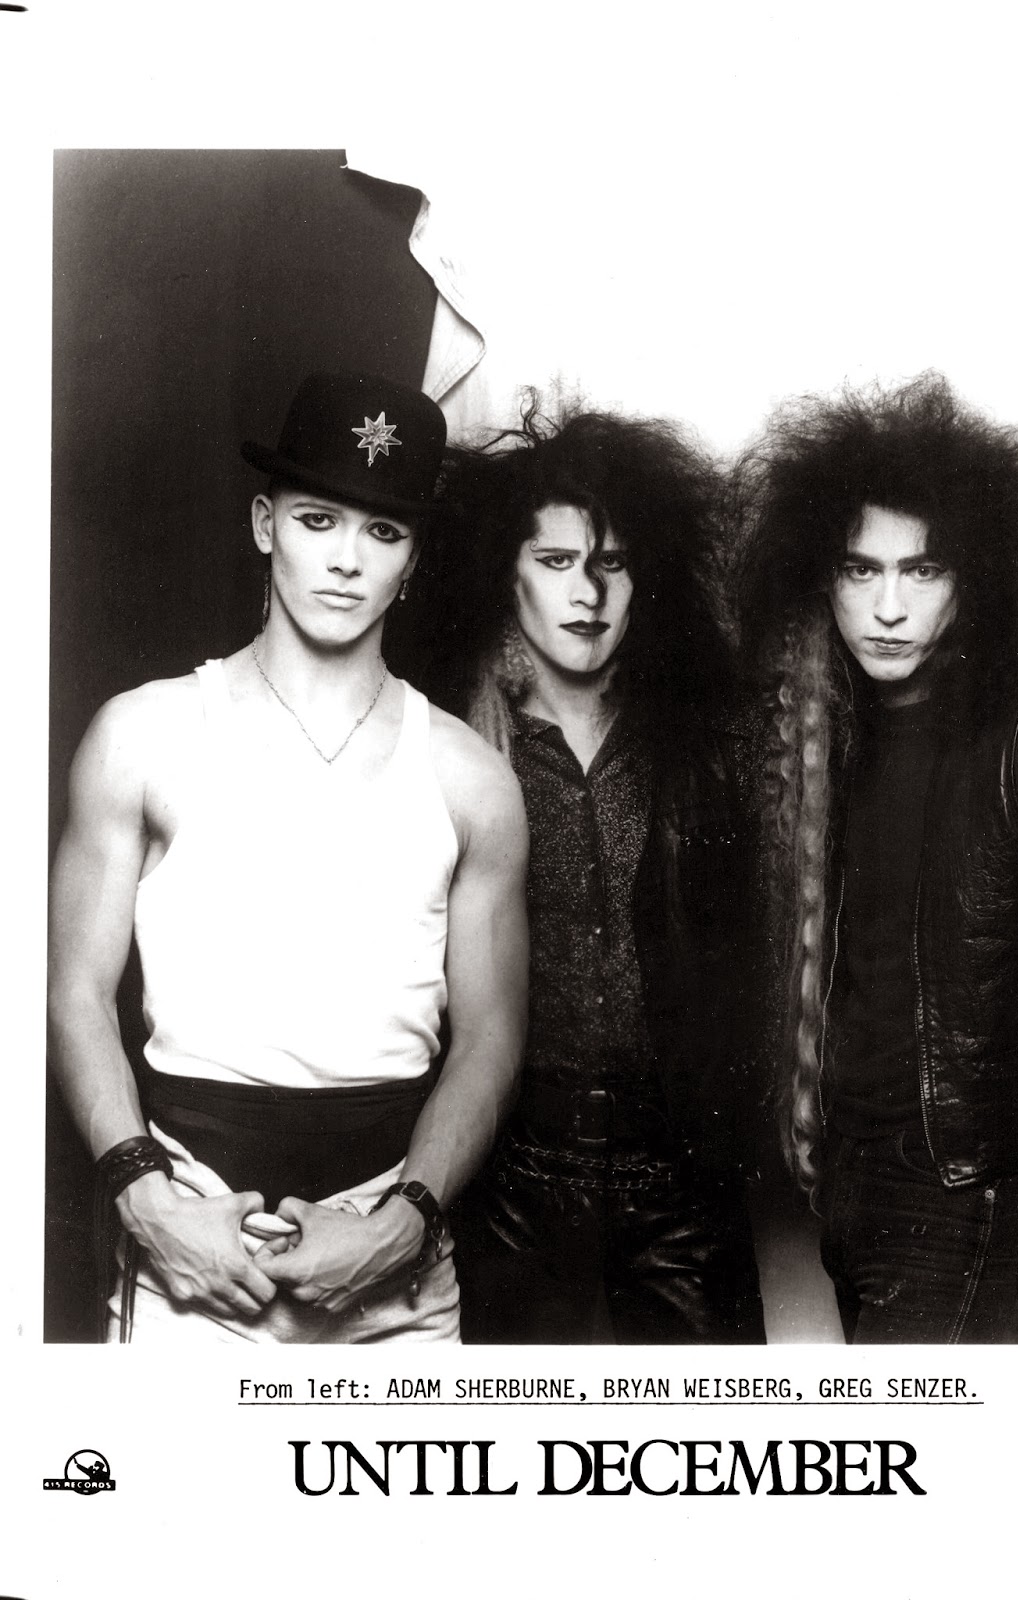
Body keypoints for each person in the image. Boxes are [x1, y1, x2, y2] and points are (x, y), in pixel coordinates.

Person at [48, 371, 528, 1344]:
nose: (347, 560)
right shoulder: (143, 735)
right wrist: (147, 1201)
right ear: (265, 525)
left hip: (391, 1264)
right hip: (189, 1243)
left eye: (382, 532)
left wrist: (405, 1223)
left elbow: (491, 1035)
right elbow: (75, 990)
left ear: (413, 560)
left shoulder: (471, 777)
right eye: (318, 521)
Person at [736, 373, 1018, 1344]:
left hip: (968, 1203)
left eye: (923, 571)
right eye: (859, 571)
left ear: (973, 578)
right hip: (853, 1198)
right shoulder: (828, 743)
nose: (888, 607)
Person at [426, 403, 766, 1343]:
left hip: (680, 1172)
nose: (589, 593)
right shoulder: (452, 741)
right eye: (556, 561)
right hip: (507, 1170)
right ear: (507, 573)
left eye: (612, 563)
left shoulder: (707, 739)